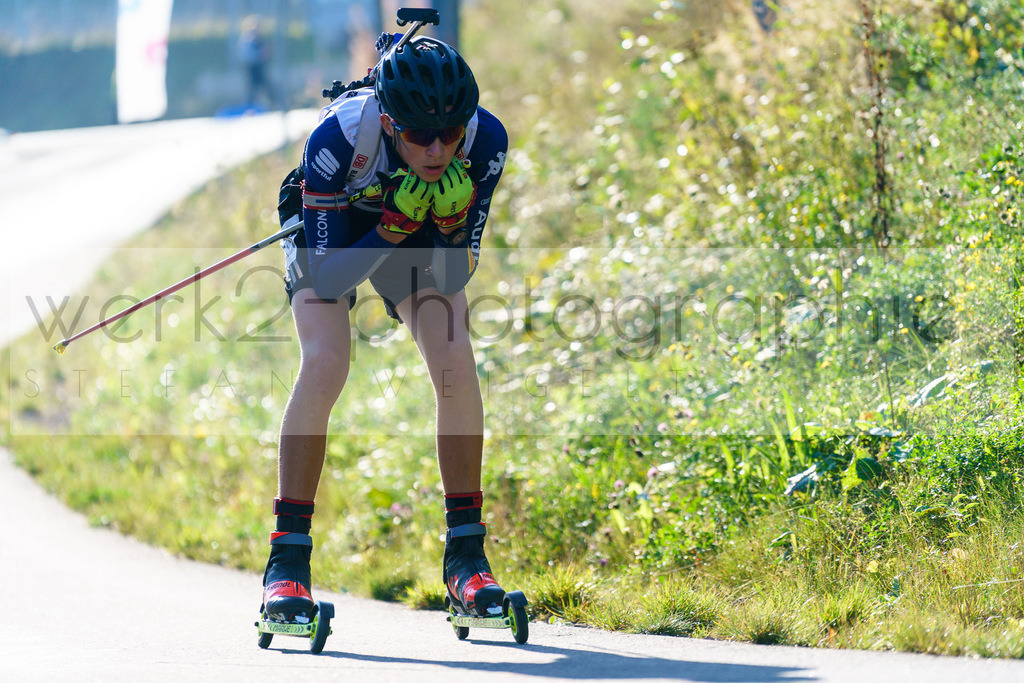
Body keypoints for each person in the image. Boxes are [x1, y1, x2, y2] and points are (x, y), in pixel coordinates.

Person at [260, 35, 509, 625]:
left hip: (413, 227)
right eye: (421, 134)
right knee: (327, 361)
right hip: (337, 228)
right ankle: (287, 565)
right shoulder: (339, 137)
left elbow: (455, 271)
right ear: (391, 121)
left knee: (454, 356)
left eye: (450, 133)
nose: (438, 148)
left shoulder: (486, 141)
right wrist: (392, 230)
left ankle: (465, 559)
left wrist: (448, 228)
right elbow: (327, 274)